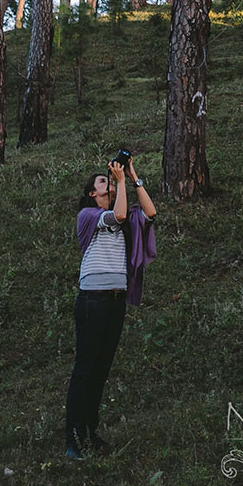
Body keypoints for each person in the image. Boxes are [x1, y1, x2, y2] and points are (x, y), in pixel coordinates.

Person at [64, 154, 157, 459]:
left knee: (101, 370)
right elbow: (115, 217)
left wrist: (132, 177)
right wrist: (117, 183)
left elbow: (150, 212)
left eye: (108, 180)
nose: (108, 181)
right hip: (92, 302)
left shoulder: (127, 215)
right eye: (102, 181)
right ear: (93, 193)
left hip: (116, 302)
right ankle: (74, 439)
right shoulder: (88, 215)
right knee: (85, 369)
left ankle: (91, 431)